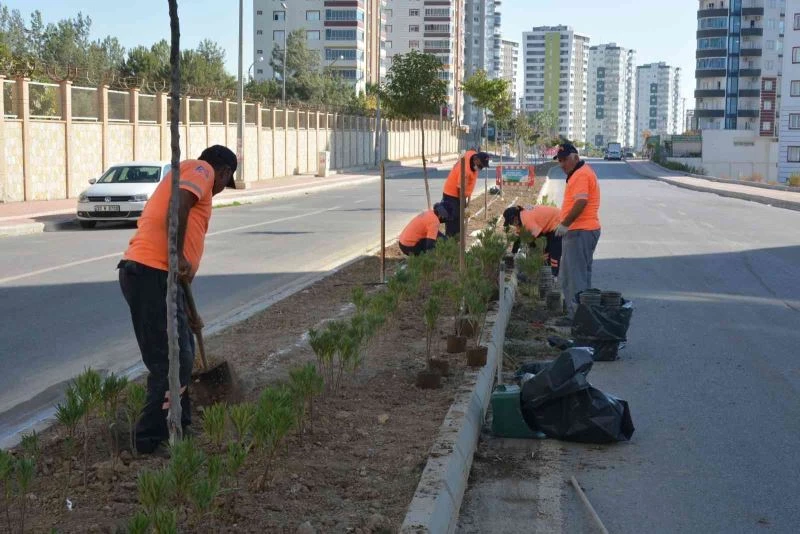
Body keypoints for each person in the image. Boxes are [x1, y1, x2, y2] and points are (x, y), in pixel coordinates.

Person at [118, 145, 237, 454]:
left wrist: (186, 310)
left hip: (162, 278)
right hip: (151, 272)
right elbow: (179, 204)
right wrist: (179, 253)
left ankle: (179, 424)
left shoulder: (190, 173)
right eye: (227, 183)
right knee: (168, 360)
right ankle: (148, 440)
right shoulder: (202, 170)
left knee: (181, 357)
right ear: (224, 172)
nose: (222, 190)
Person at [552, 142, 601, 322]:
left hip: (580, 231)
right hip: (581, 231)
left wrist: (565, 224)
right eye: (560, 160)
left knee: (575, 278)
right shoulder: (578, 173)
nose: (562, 164)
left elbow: (581, 202)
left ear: (575, 157)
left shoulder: (580, 175)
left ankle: (578, 319)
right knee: (572, 276)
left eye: (565, 160)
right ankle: (581, 316)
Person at [502, 204, 562, 277]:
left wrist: (533, 251)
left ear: (515, 218)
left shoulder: (526, 219)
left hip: (558, 221)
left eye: (511, 222)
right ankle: (547, 273)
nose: (512, 225)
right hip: (550, 225)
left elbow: (539, 238)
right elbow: (518, 239)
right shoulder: (520, 220)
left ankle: (553, 276)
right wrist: (513, 253)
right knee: (546, 252)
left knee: (553, 251)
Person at [441, 150, 491, 237]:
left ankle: (456, 241)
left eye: (482, 166)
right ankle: (451, 242)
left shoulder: (471, 154)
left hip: (458, 194)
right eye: (480, 165)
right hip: (452, 195)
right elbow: (460, 190)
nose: (480, 168)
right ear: (476, 159)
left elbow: (470, 151)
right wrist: (463, 207)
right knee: (454, 220)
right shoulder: (465, 171)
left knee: (459, 219)